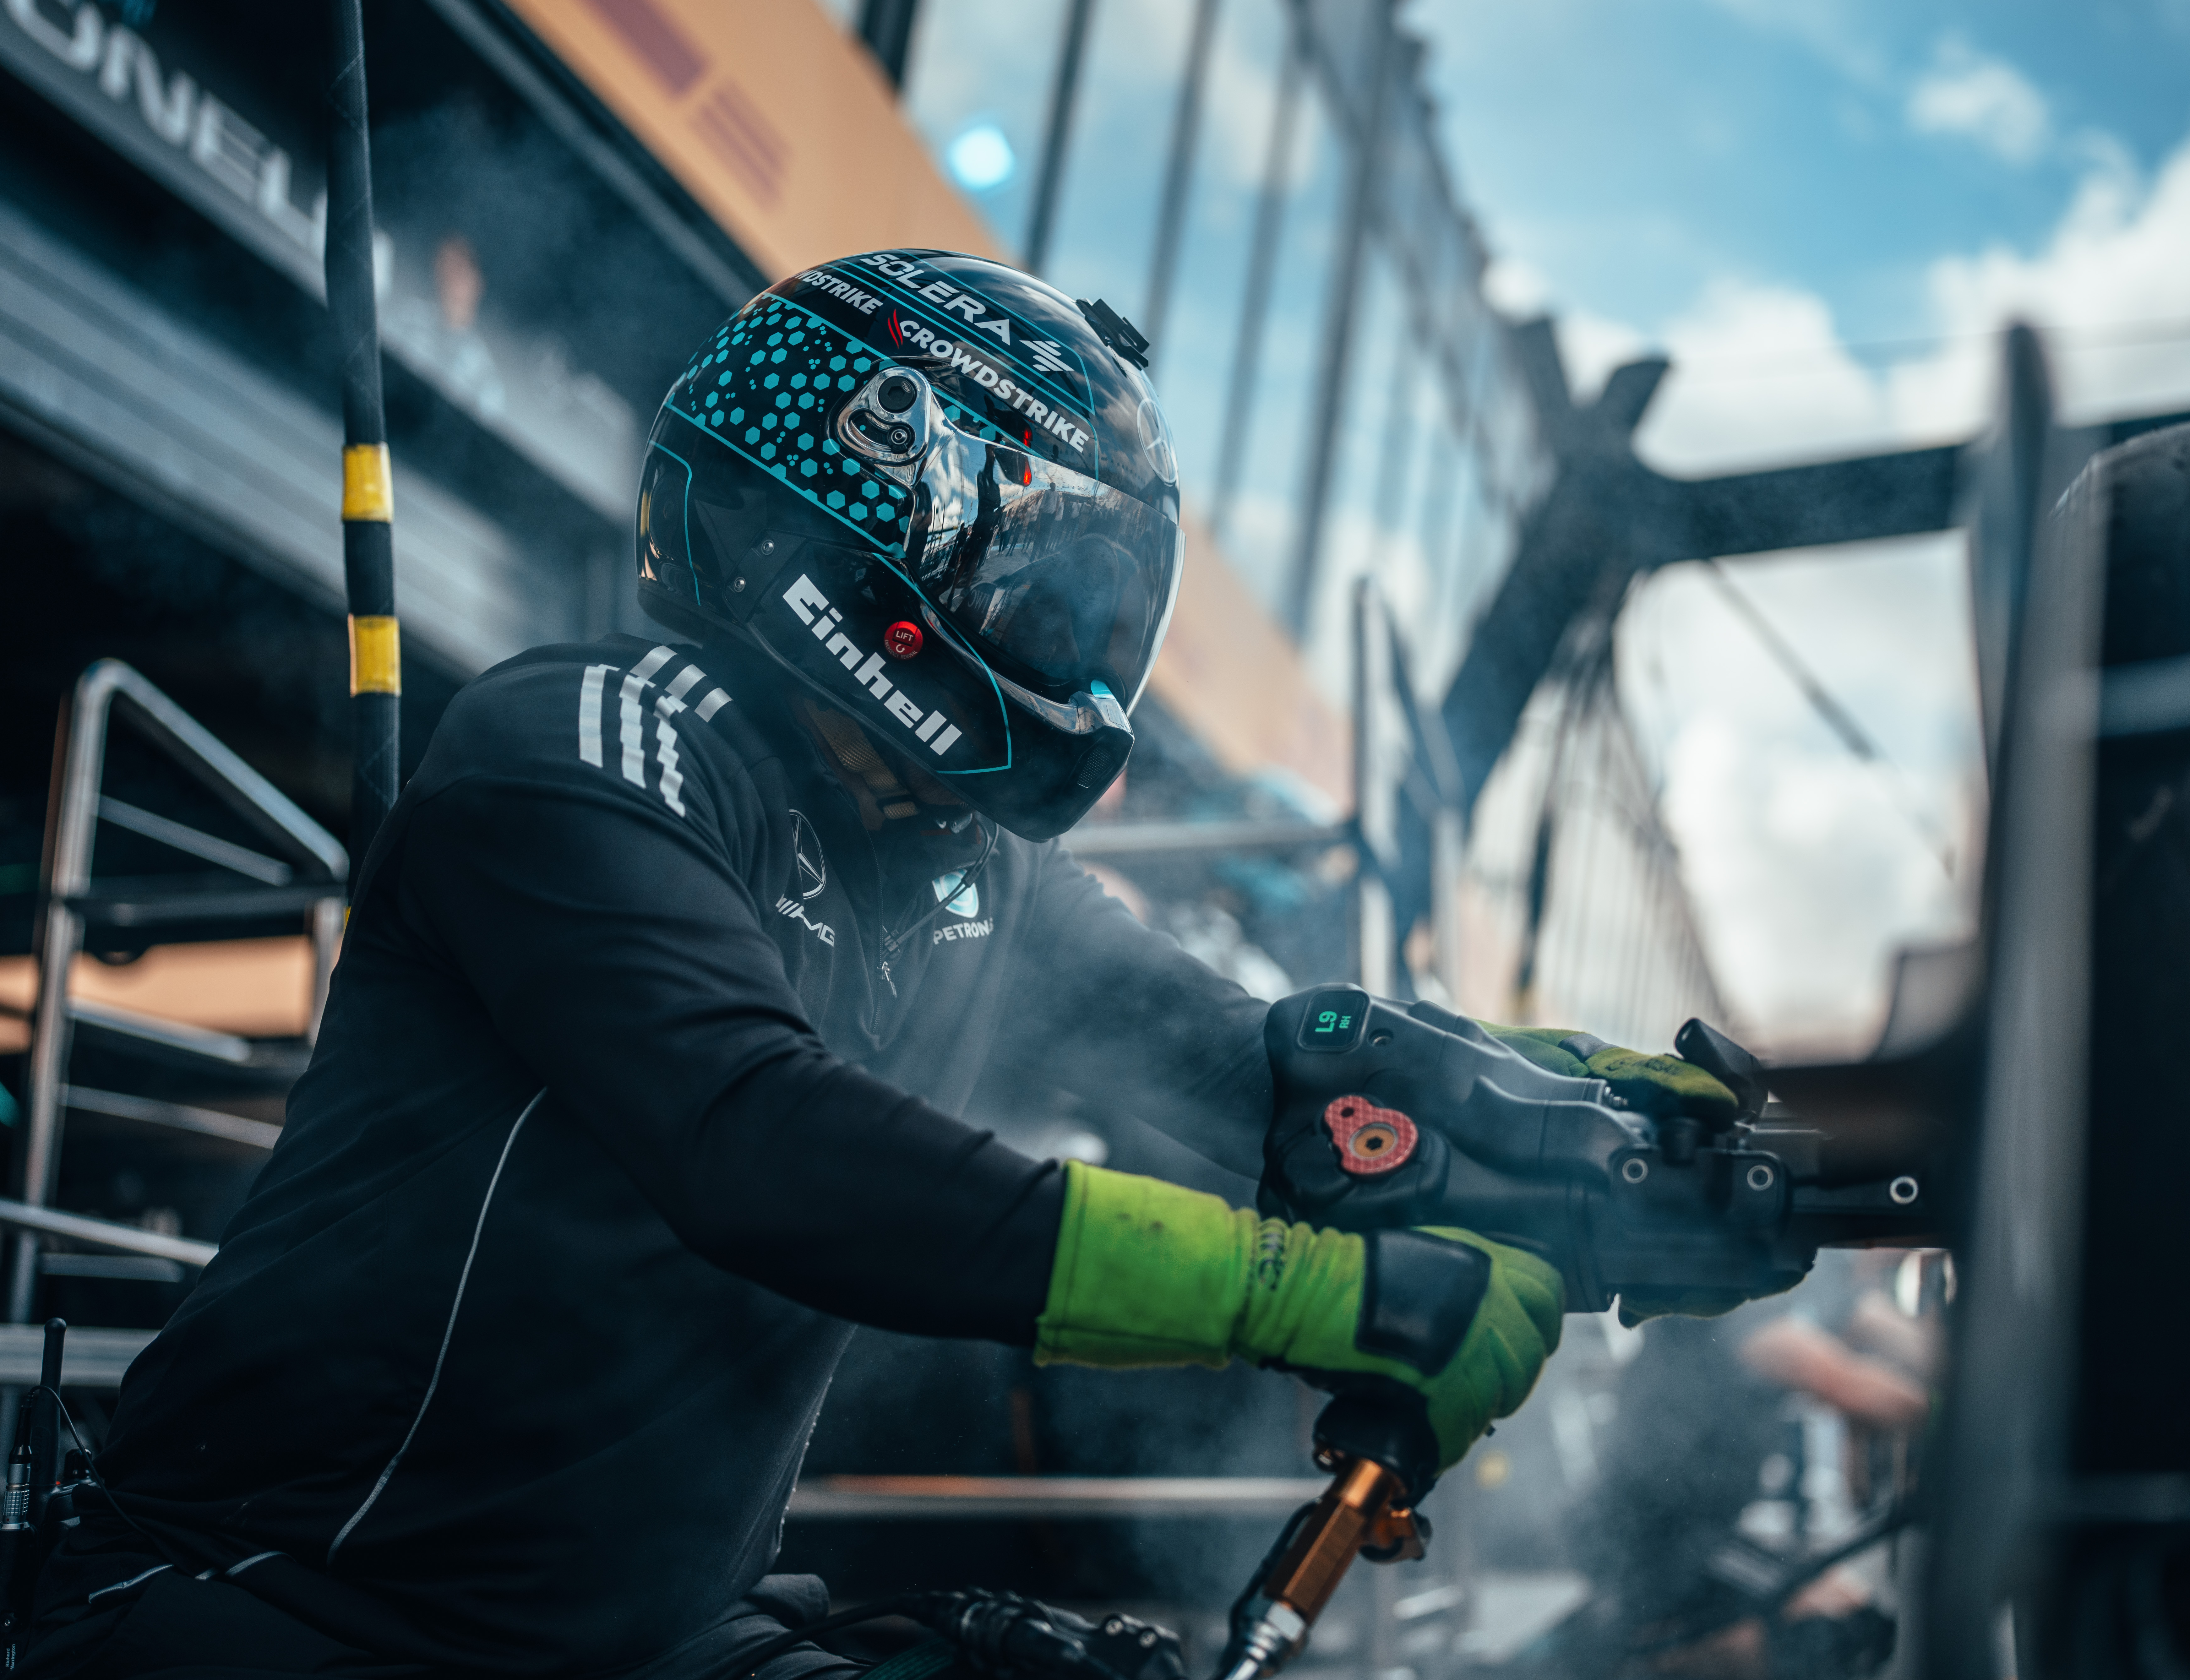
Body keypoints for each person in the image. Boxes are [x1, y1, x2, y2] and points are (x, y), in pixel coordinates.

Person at [19, 253, 1732, 1679]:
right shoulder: (579, 742)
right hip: (286, 1611)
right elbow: (761, 1148)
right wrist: (1319, 1297)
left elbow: (1254, 1070)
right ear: (874, 499)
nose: (1084, 662)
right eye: (1055, 597)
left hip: (652, 1640)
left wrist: (1578, 1123)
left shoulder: (957, 871)